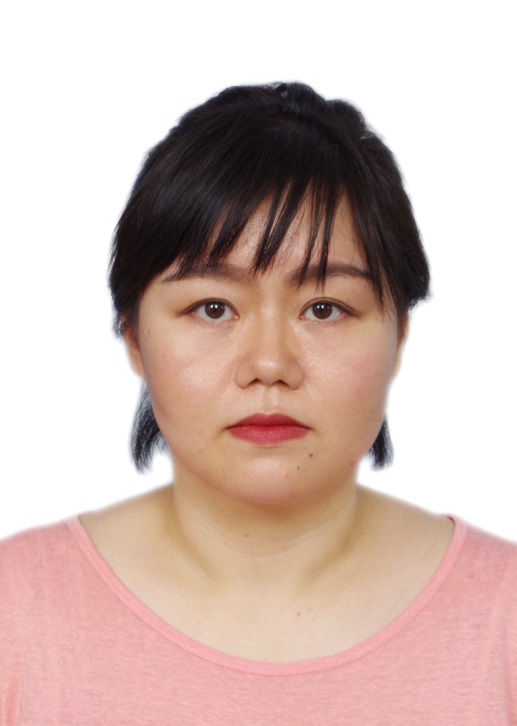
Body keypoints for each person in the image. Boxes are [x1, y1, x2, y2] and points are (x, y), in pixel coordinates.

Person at [1, 82, 516, 724]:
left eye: (324, 308)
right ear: (134, 336)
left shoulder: (504, 621)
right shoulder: (16, 613)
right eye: (213, 308)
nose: (269, 364)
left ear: (399, 336)